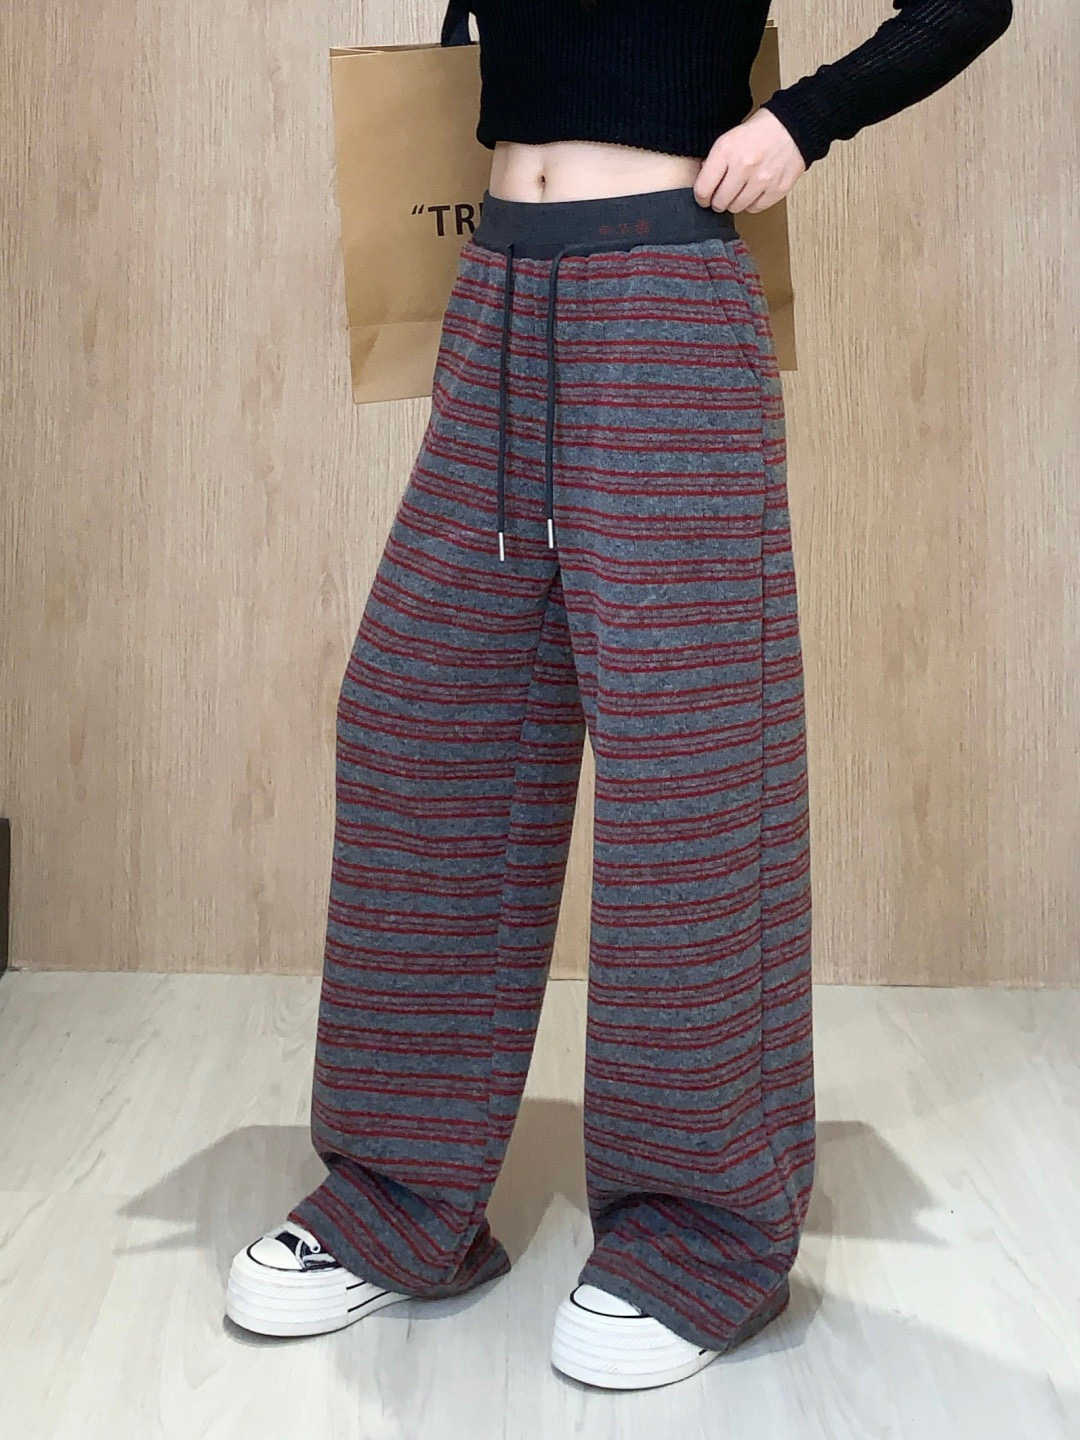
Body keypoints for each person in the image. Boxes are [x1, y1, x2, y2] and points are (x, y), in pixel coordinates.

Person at [225, 0, 1013, 1392]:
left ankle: (701, 1227)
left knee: (689, 764)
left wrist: (803, 123)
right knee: (420, 720)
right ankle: (399, 1195)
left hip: (665, 291)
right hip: (495, 287)